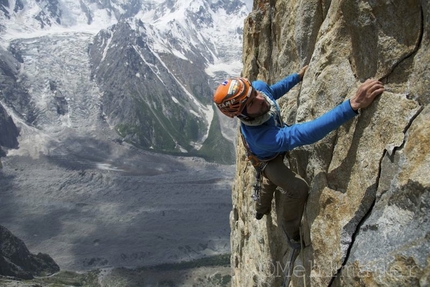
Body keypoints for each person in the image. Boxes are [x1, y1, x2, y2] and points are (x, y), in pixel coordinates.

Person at [213, 66, 384, 247]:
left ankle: (262, 206)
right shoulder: (262, 137)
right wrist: (352, 105)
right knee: (296, 188)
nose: (260, 97)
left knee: (271, 182)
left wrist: (297, 77)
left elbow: (271, 91)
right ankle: (288, 229)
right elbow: (305, 134)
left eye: (254, 92)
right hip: (267, 160)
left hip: (272, 150)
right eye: (251, 103)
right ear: (241, 114)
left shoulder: (258, 91)